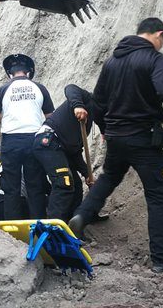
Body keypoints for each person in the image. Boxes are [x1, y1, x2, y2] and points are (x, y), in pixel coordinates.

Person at [69, 18, 163, 273]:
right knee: (160, 193)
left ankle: (82, 214)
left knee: (108, 178)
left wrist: (105, 130)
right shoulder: (155, 59)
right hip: (143, 139)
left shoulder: (112, 62)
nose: (162, 44)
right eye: (162, 40)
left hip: (116, 138)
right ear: (158, 34)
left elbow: (98, 102)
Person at [0, 54, 54, 219]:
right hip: (34, 140)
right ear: (29, 72)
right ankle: (38, 226)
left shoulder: (2, 90)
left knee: (11, 187)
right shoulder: (40, 88)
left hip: (11, 142)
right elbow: (51, 118)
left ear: (10, 73)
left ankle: (12, 228)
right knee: (35, 186)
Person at [32, 84, 101, 222]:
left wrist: (87, 174)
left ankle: (71, 226)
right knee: (64, 183)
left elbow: (74, 153)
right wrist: (78, 106)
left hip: (60, 149)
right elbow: (70, 88)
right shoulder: (87, 100)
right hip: (48, 141)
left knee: (75, 186)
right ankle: (54, 230)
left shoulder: (87, 124)